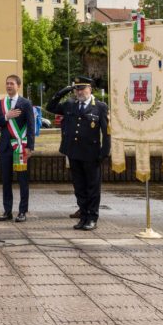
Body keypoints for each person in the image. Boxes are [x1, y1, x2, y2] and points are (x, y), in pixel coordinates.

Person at [45, 75, 111, 231]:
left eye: (82, 88)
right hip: (73, 153)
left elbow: (107, 132)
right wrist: (63, 91)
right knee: (79, 187)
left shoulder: (100, 107)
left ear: (90, 89)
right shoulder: (70, 104)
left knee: (92, 187)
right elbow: (50, 107)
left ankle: (92, 218)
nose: (79, 92)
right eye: (76, 89)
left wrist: (104, 153)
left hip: (91, 154)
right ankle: (83, 216)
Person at [0, 74, 36, 223]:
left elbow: (31, 125)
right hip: (5, 147)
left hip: (20, 147)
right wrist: (6, 116)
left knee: (22, 181)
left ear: (18, 86)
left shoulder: (26, 103)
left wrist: (30, 146)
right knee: (6, 181)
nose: (9, 86)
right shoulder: (1, 104)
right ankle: (7, 211)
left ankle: (22, 211)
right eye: (7, 83)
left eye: (12, 84)